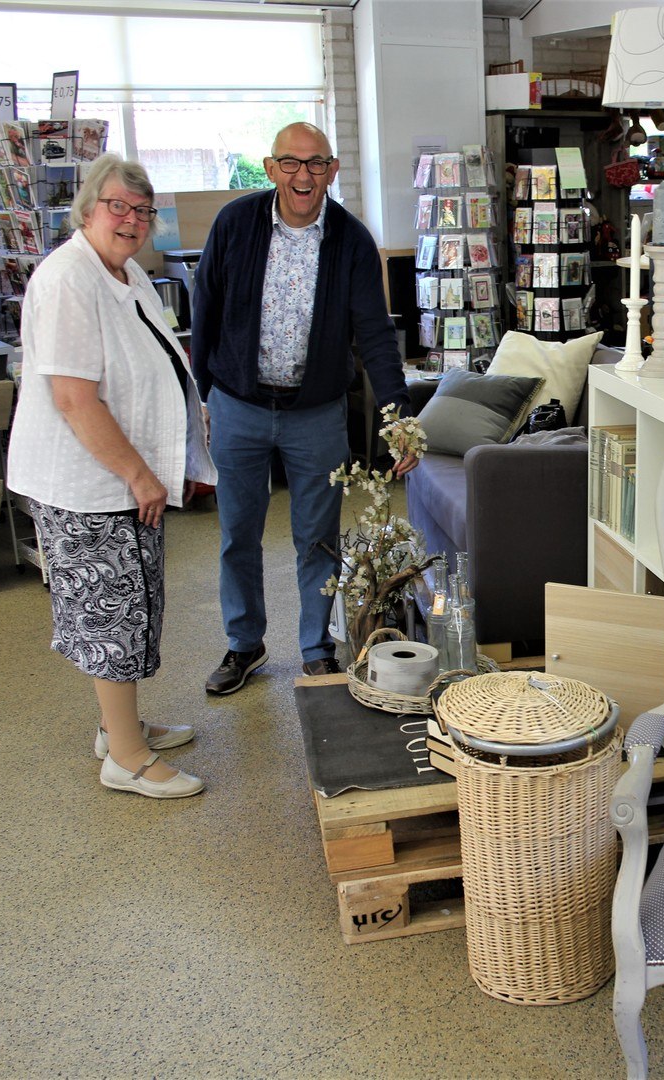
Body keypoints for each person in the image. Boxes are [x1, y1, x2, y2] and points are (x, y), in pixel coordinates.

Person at [6, 154, 216, 799]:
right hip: (90, 484)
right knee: (111, 617)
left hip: (126, 478)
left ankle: (118, 726)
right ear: (88, 209)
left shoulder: (124, 273)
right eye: (118, 206)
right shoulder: (68, 279)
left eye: (142, 210)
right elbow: (74, 397)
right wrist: (138, 473)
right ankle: (125, 759)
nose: (131, 219)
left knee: (131, 606)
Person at [192, 122, 415, 695]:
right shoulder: (235, 223)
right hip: (238, 404)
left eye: (316, 164)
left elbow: (375, 334)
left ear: (332, 171)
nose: (303, 176)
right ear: (270, 169)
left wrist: (398, 418)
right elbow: (205, 309)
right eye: (291, 164)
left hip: (316, 412)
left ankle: (317, 648)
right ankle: (244, 644)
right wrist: (202, 394)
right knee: (238, 533)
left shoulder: (351, 240)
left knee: (317, 538)